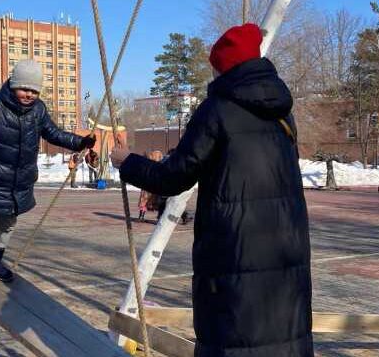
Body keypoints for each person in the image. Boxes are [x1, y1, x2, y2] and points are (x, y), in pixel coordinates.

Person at [111, 23, 313, 356]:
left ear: (225, 67)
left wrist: (127, 162)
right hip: (286, 249)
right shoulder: (283, 114)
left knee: (232, 338)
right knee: (283, 338)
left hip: (233, 251)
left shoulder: (216, 111)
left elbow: (174, 177)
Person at [0, 59, 96, 286]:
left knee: (7, 225)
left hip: (20, 183)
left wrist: (79, 142)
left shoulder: (38, 110)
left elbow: (53, 133)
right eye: (25, 88)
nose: (29, 95)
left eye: (34, 90)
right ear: (13, 85)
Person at [136, 150, 163, 221]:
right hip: (154, 187)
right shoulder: (160, 166)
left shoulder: (147, 164)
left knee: (144, 201)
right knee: (159, 202)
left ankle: (141, 216)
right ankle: (160, 217)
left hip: (146, 186)